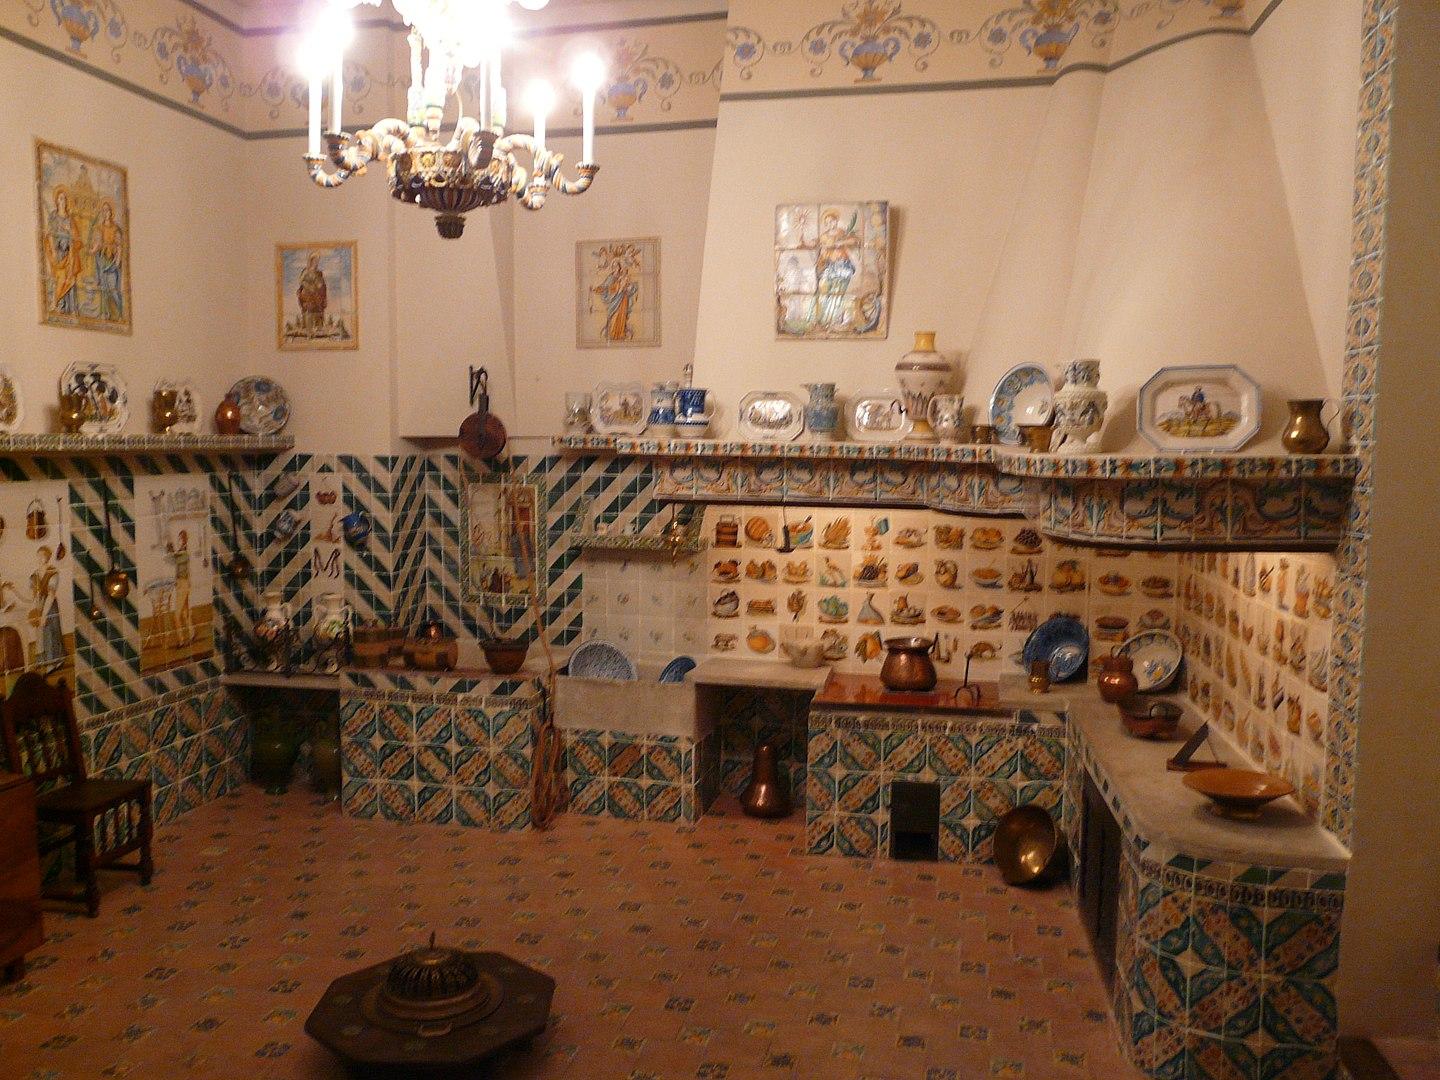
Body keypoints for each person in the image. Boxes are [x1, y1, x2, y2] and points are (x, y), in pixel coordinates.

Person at [45, 190, 83, 316]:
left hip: (69, 255)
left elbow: (78, 239)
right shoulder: (53, 217)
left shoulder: (70, 220)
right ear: (57, 201)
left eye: (65, 199)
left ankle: (70, 308)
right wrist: (53, 251)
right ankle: (58, 304)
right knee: (60, 279)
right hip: (59, 253)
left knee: (70, 280)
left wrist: (69, 231)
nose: (63, 201)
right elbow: (50, 234)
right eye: (61, 198)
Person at [90, 200, 125, 321]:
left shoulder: (116, 229)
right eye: (104, 210)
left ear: (111, 212)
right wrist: (92, 250)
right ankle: (107, 314)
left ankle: (121, 314)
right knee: (104, 290)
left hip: (112, 262)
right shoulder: (99, 228)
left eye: (108, 210)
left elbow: (119, 246)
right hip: (103, 261)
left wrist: (117, 261)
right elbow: (97, 244)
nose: (106, 213)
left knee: (113, 289)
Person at [29, 546, 63, 668]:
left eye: (42, 555)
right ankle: (42, 661)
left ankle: (54, 662)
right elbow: (32, 596)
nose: (40, 558)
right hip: (39, 605)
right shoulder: (34, 574)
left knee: (50, 632)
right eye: (38, 555)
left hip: (50, 606)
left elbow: (51, 595)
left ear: (47, 556)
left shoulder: (52, 573)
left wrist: (44, 615)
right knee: (40, 634)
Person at [167, 529, 195, 644]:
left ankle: (181, 640)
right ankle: (192, 633)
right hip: (182, 583)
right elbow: (175, 558)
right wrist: (171, 550)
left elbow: (175, 560)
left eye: (180, 539)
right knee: (185, 611)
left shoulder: (184, 553)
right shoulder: (181, 552)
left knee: (177, 615)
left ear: (184, 540)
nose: (178, 541)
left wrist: (170, 550)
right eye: (178, 539)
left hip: (183, 584)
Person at [297, 252, 328, 334]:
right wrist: (309, 286)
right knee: (309, 310)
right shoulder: (305, 271)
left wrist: (319, 286)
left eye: (317, 261)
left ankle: (318, 329)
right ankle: (309, 330)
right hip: (307, 294)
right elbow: (301, 281)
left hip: (317, 295)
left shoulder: (319, 273)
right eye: (314, 260)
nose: (316, 262)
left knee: (318, 310)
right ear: (310, 261)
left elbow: (322, 284)